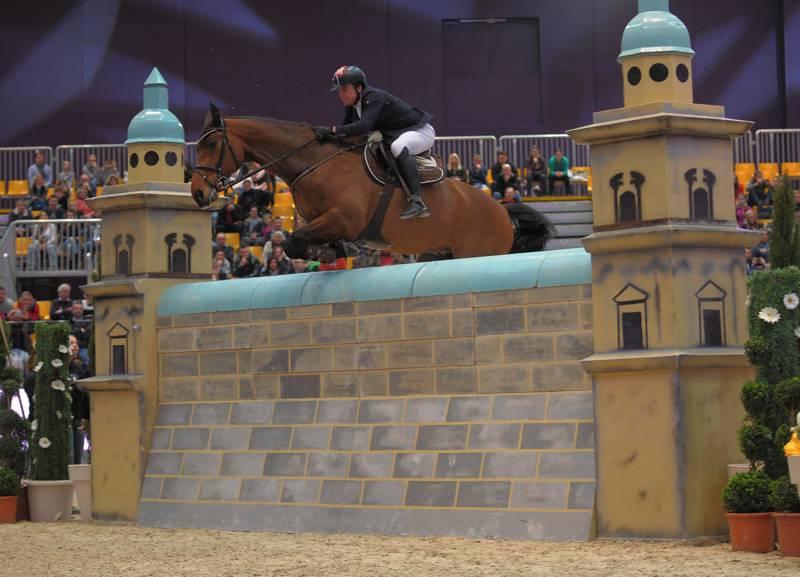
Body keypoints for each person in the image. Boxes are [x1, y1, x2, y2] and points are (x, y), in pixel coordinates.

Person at [317, 65, 436, 219]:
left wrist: (331, 130)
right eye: (339, 90)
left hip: (420, 131)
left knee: (398, 146)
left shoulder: (374, 97)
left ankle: (418, 200)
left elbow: (363, 126)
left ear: (359, 87)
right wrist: (326, 136)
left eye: (344, 89)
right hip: (398, 133)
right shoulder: (352, 106)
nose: (340, 94)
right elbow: (345, 132)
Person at [67, 334, 90, 464]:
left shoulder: (80, 365)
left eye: (76, 343)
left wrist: (85, 418)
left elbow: (85, 393)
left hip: (78, 419)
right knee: (69, 457)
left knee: (78, 459)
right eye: (71, 343)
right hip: (67, 419)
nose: (74, 345)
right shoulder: (57, 367)